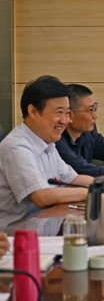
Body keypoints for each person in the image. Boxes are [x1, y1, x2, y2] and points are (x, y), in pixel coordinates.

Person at [0, 76, 93, 231]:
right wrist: (93, 192)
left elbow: (74, 179)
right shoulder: (16, 147)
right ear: (33, 111)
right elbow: (42, 197)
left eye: (67, 113)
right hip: (18, 241)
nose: (64, 120)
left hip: (46, 233)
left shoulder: (47, 143)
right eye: (59, 112)